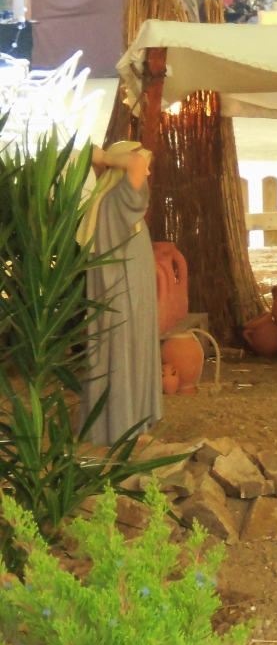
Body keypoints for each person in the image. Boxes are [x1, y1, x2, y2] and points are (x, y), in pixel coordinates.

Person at [78, 142, 163, 445]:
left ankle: (121, 423)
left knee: (119, 349)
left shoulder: (111, 199)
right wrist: (103, 158)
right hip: (124, 289)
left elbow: (133, 166)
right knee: (123, 348)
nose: (146, 170)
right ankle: (124, 426)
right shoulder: (118, 198)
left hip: (123, 285)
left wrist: (103, 161)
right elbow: (136, 165)